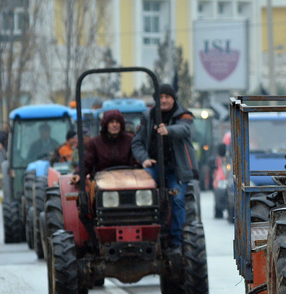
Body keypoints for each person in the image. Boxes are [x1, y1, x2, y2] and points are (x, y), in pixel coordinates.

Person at [131, 83, 198, 249]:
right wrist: (144, 158)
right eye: (160, 97)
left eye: (167, 97)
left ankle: (177, 241)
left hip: (176, 170)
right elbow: (137, 143)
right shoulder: (148, 116)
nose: (164, 100)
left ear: (173, 99)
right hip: (153, 166)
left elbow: (185, 129)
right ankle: (143, 238)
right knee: (140, 195)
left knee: (177, 200)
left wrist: (169, 130)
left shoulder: (184, 115)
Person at [70, 109, 138, 185]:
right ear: (105, 124)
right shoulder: (95, 143)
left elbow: (136, 163)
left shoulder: (130, 141)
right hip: (102, 182)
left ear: (121, 124)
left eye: (117, 122)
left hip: (127, 180)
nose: (114, 125)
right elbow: (87, 163)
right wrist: (78, 173)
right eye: (111, 122)